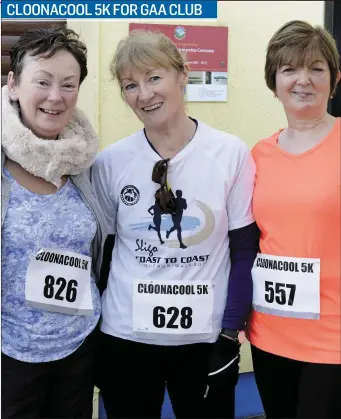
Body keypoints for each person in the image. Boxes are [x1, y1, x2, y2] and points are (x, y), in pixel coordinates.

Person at [92, 30, 259, 418]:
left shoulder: (229, 153)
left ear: (182, 74)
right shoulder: (111, 162)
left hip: (203, 340)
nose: (144, 94)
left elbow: (244, 248)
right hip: (126, 339)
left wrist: (230, 334)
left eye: (154, 78)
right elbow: (101, 255)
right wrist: (96, 340)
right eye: (130, 85)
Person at [1, 27, 107, 418]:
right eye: (42, 82)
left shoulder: (85, 164)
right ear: (13, 85)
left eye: (68, 84)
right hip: (9, 355)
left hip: (77, 348)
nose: (55, 96)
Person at [246, 20, 341, 418]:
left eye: (316, 68)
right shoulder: (257, 155)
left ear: (334, 81)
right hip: (270, 331)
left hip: (333, 335)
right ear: (274, 82)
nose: (303, 80)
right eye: (289, 69)